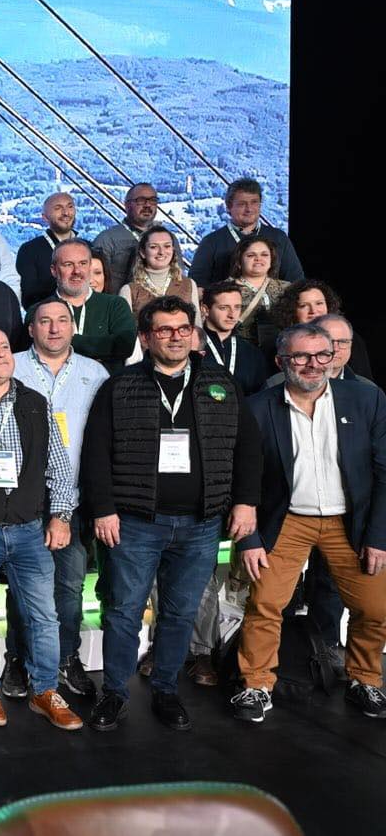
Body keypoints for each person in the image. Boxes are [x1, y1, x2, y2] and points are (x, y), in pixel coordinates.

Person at [81, 295, 261, 732]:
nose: (176, 337)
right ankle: (115, 692)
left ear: (194, 333)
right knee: (124, 612)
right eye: (164, 330)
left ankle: (165, 689)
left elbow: (248, 448)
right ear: (146, 338)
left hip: (201, 524)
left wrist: (245, 501)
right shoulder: (120, 386)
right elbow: (96, 453)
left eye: (183, 329)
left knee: (180, 614)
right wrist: (103, 509)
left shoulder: (221, 383)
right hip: (135, 523)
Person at [232, 323, 386, 723]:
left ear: (333, 357)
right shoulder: (256, 407)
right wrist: (248, 539)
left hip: (350, 521)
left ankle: (365, 679)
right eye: (301, 356)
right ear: (282, 361)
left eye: (322, 355)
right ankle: (256, 685)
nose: (313, 364)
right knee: (264, 603)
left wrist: (379, 536)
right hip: (286, 520)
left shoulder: (366, 399)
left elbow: (384, 470)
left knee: (375, 607)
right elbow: (243, 478)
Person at [0, 327, 84, 731]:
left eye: (5, 348)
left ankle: (44, 690)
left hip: (30, 530)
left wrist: (61, 515)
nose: (2, 355)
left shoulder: (36, 403)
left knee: (45, 616)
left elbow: (60, 466)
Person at [3, 298, 108, 699]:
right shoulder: (10, 366)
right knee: (21, 586)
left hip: (73, 499)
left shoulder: (94, 373)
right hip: (21, 498)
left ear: (72, 327)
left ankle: (66, 657)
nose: (53, 328)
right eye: (44, 321)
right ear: (30, 328)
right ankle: (17, 658)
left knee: (69, 586)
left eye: (62, 320)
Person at [189, 178, 304, 286]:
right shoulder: (211, 242)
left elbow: (296, 282)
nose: (249, 209)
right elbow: (197, 285)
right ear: (228, 207)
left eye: (254, 202)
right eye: (242, 204)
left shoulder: (279, 238)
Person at [50, 238, 136, 373]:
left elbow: (124, 346)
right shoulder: (39, 310)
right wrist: (103, 347)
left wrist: (66, 342)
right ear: (54, 270)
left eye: (83, 263)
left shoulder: (115, 305)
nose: (77, 271)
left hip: (107, 384)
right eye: (68, 264)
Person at [272, 280, 374, 380]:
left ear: (328, 306)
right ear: (292, 311)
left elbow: (364, 381)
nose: (313, 311)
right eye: (303, 306)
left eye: (319, 303)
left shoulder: (347, 336)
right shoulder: (283, 342)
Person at [90, 183, 181, 293]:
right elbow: (94, 279)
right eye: (141, 200)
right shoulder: (107, 239)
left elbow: (179, 275)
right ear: (127, 205)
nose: (147, 205)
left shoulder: (168, 239)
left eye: (152, 200)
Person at [119, 227, 200, 325]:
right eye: (154, 247)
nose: (161, 252)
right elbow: (125, 331)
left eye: (167, 246)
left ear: (173, 250)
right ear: (143, 252)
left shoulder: (189, 284)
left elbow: (197, 327)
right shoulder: (129, 290)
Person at [200, 281, 268, 395]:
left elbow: (261, 396)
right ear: (205, 310)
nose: (232, 315)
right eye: (223, 308)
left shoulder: (252, 353)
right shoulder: (191, 349)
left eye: (237, 307)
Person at [16, 192, 78, 309]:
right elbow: (28, 300)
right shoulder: (29, 251)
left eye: (70, 207)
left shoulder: (88, 247)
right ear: (45, 217)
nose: (66, 213)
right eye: (58, 208)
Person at [227, 235, 288, 350]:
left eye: (264, 255)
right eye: (251, 255)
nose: (258, 259)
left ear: (272, 260)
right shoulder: (224, 289)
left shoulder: (288, 288)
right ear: (239, 261)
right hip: (240, 350)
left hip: (282, 350)